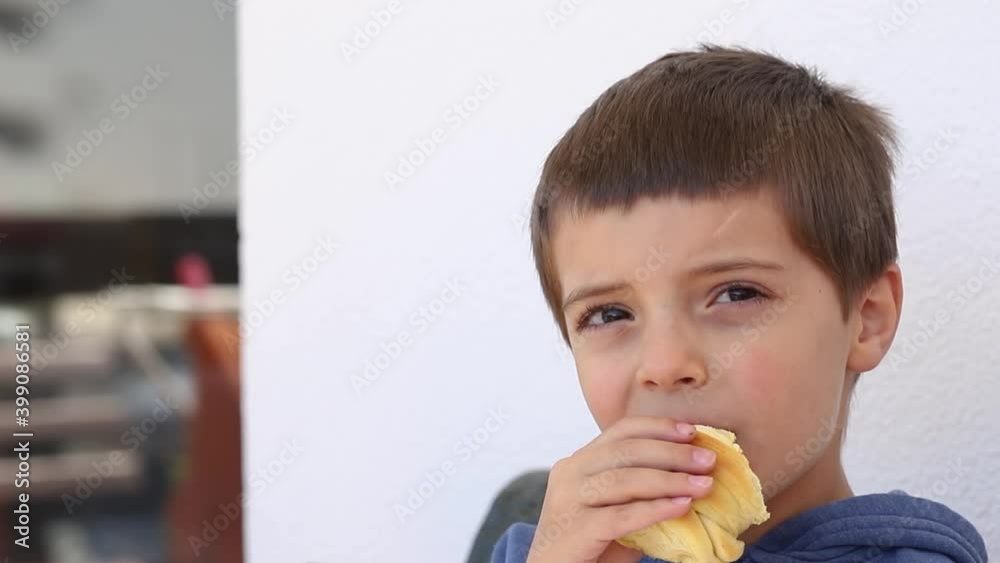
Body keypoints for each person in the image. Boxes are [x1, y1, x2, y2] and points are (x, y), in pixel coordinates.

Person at [489, 45, 988, 563]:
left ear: (867, 319)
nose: (664, 365)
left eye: (736, 294)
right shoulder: (546, 551)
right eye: (609, 314)